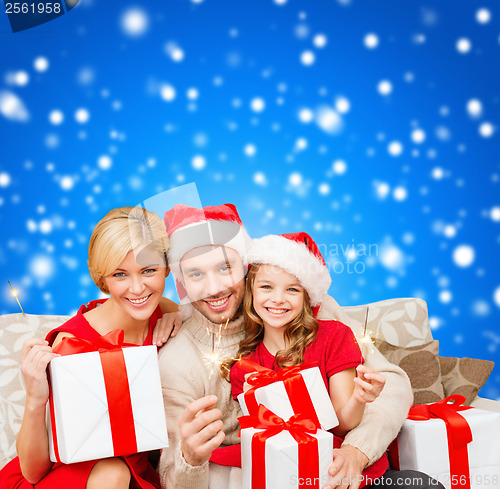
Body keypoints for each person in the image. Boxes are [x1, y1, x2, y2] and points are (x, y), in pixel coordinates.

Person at [158, 202, 442, 489]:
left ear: (246, 267)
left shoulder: (309, 313)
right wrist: (190, 460)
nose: (214, 287)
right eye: (196, 274)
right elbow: (171, 476)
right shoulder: (178, 360)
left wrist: (357, 451)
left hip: (338, 466)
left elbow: (392, 384)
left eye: (224, 267)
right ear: (181, 281)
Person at [0, 206, 180, 489]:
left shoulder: (162, 311)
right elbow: (33, 472)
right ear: (103, 278)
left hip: (134, 473)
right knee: (113, 472)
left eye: (148, 270)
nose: (137, 288)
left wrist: (181, 316)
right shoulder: (72, 345)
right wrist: (36, 399)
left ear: (167, 268)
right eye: (120, 274)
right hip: (65, 478)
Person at [228, 232, 389, 485]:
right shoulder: (244, 368)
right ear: (251, 292)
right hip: (285, 474)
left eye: (292, 289)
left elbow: (342, 424)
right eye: (266, 287)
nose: (278, 299)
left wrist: (359, 398)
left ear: (306, 297)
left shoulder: (334, 336)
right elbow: (264, 442)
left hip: (336, 463)